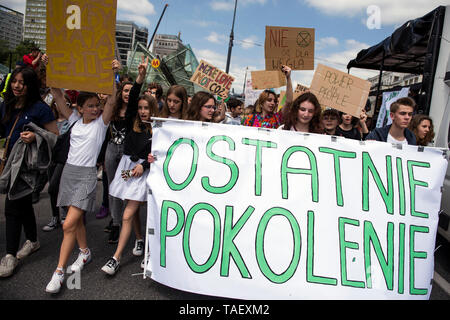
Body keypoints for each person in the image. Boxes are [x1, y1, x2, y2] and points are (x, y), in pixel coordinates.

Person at [44, 61, 117, 294]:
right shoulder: (73, 119)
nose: (96, 109)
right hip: (69, 173)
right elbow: (56, 93)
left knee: (68, 224)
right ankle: (84, 252)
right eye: (91, 106)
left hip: (86, 176)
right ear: (80, 108)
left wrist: (114, 74)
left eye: (97, 105)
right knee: (75, 222)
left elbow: (113, 101)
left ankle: (59, 272)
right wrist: (50, 68)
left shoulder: (101, 125)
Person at [0, 66, 58, 278]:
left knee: (12, 207)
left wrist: (36, 137)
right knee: (23, 206)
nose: (17, 86)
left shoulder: (40, 109)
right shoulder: (7, 104)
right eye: (14, 81)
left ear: (30, 85)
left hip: (28, 169)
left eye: (22, 82)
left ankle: (9, 256)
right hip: (9, 164)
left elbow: (55, 136)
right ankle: (33, 241)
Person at [101, 93, 158, 276]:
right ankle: (140, 239)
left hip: (142, 172)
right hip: (127, 170)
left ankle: (116, 257)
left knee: (128, 213)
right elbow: (131, 100)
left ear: (153, 109)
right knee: (128, 205)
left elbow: (159, 153)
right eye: (140, 107)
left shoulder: (158, 128)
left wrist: (145, 164)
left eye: (146, 108)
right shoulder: (131, 121)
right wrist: (139, 79)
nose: (142, 111)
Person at [104, 79, 134, 243]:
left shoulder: (134, 111)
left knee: (123, 185)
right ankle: (115, 222)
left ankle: (118, 219)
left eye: (131, 91)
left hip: (126, 153)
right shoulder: (113, 110)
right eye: (125, 90)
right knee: (111, 186)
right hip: (111, 149)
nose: (128, 94)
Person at [42, 92, 76, 232]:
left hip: (65, 158)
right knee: (53, 189)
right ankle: (55, 217)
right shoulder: (51, 122)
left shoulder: (72, 122)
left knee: (55, 186)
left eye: (67, 104)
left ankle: (64, 213)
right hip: (51, 157)